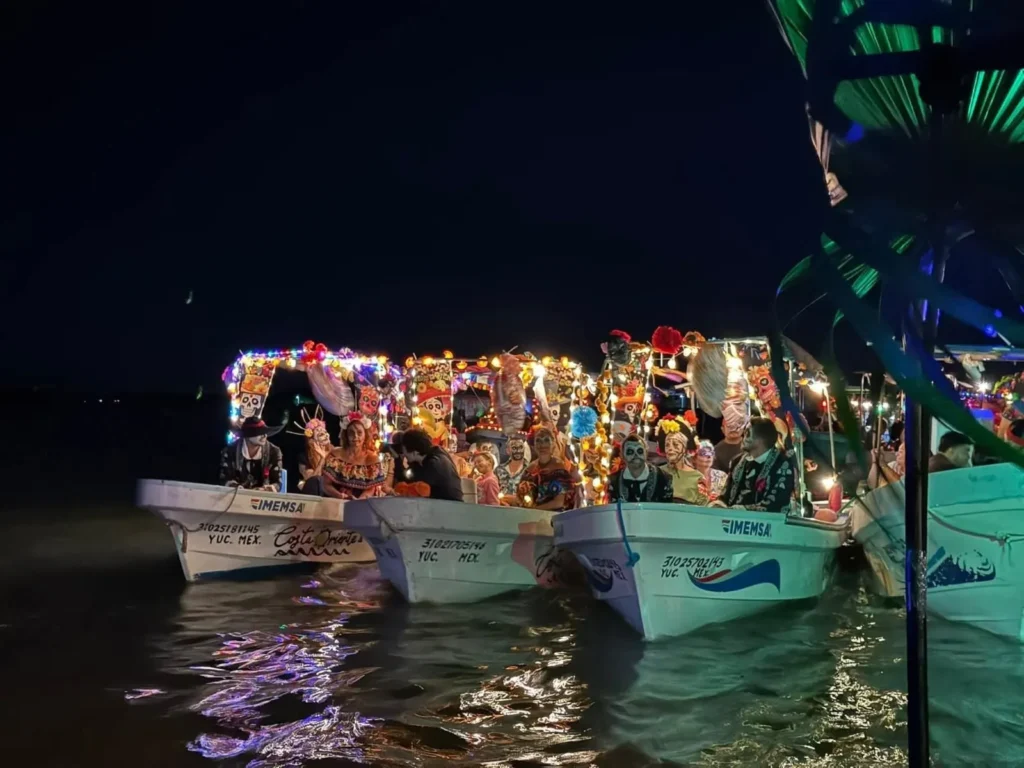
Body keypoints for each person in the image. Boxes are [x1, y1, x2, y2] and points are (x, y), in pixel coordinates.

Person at [715, 417, 796, 512]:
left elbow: (775, 504)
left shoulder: (782, 464)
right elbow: (725, 496)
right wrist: (717, 504)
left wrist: (740, 510)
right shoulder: (736, 461)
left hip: (764, 520)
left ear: (760, 439)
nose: (743, 437)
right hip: (731, 518)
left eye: (747, 433)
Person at [316, 411, 393, 499]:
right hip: (335, 502)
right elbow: (326, 485)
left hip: (360, 504)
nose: (355, 436)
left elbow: (370, 489)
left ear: (365, 435)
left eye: (359, 433)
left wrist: (358, 501)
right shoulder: (335, 455)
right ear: (346, 435)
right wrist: (341, 496)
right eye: (351, 433)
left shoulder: (372, 458)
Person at [515, 427, 577, 510]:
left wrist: (534, 510)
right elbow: (520, 497)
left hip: (554, 516)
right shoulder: (530, 469)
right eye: (538, 440)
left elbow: (559, 502)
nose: (542, 445)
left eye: (546, 440)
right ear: (534, 445)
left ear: (553, 445)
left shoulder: (560, 469)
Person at [220, 417, 285, 491]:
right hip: (236, 495)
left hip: (263, 496)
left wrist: (266, 489)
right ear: (248, 435)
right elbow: (225, 478)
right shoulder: (230, 451)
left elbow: (277, 482)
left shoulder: (274, 452)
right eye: (259, 433)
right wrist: (238, 488)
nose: (264, 436)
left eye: (265, 432)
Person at [401, 427, 464, 501]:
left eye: (404, 450)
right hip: (438, 502)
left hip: (449, 504)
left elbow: (415, 488)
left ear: (415, 452)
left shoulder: (435, 464)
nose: (404, 454)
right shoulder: (432, 454)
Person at [608, 434, 674, 503]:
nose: (636, 455)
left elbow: (667, 508)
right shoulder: (614, 482)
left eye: (639, 451)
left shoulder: (664, 478)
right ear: (622, 456)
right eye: (630, 451)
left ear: (646, 452)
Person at [660, 424, 706, 504]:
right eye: (667, 445)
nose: (670, 448)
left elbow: (703, 506)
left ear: (684, 448)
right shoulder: (657, 472)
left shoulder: (698, 477)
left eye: (675, 444)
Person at [495, 432, 530, 497]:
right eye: (514, 448)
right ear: (507, 451)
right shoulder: (499, 470)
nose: (518, 451)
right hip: (502, 503)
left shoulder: (530, 469)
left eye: (520, 447)